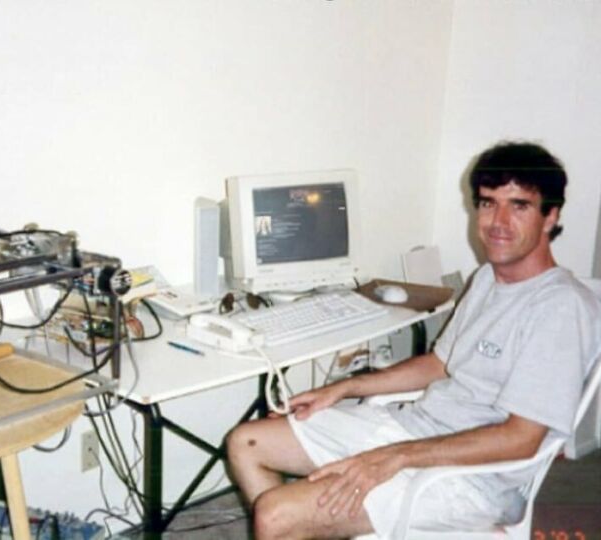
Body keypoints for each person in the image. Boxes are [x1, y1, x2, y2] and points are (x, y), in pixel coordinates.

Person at [226, 141, 601, 539]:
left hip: (473, 478)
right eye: (489, 203)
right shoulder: (489, 278)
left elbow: (521, 439)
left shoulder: (561, 309)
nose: (499, 221)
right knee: (245, 442)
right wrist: (344, 387)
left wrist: (391, 459)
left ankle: (301, 524)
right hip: (415, 431)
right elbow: (439, 364)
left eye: (519, 205)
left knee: (275, 515)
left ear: (550, 216)